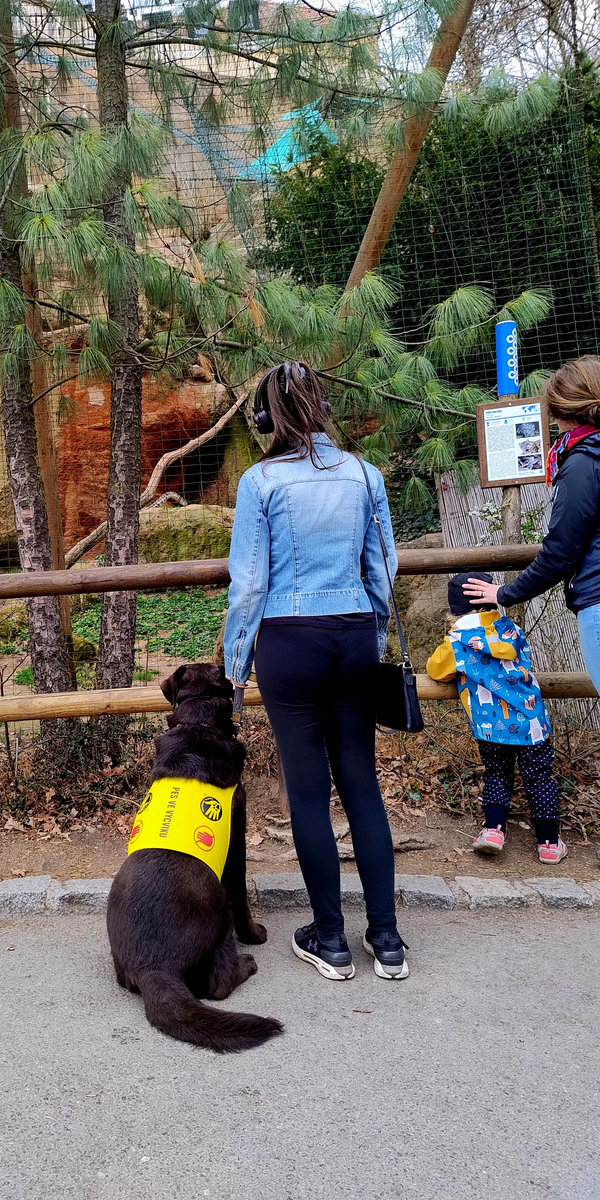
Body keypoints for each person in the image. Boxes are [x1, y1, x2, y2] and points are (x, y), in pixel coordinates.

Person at [223, 361, 408, 982]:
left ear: (264, 417)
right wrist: (372, 636)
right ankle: (386, 938)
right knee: (361, 784)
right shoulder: (364, 474)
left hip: (289, 641)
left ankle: (329, 938)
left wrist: (236, 665)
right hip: (352, 636)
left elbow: (249, 584)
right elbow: (384, 568)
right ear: (322, 407)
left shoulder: (260, 481)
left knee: (307, 791)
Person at [462, 357, 600, 859]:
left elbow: (560, 551)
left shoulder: (582, 461)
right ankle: (548, 841)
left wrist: (504, 593)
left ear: (559, 409)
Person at [426, 572, 566, 863]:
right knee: (539, 779)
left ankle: (494, 831)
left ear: (455, 610)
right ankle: (549, 843)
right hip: (532, 721)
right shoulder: (510, 629)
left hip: (491, 726)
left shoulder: (457, 641)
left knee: (497, 775)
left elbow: (436, 670)